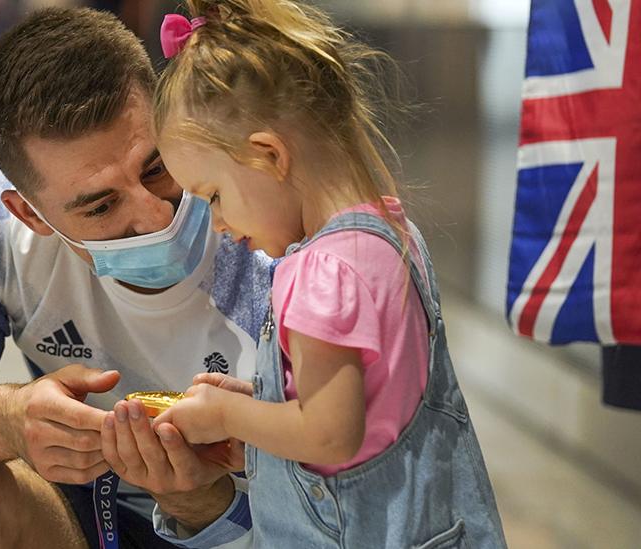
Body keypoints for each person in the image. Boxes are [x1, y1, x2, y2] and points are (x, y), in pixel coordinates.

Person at [0, 7, 272, 548]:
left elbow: (364, 520)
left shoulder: (272, 208)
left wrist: (199, 503)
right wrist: (6, 419)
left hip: (266, 527)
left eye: (157, 168)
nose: (155, 218)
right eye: (100, 207)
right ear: (31, 215)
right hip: (90, 518)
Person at [147, 0, 508, 547]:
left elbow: (332, 436)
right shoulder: (389, 233)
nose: (217, 224)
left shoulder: (318, 273)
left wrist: (228, 414)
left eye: (213, 196)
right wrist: (260, 404)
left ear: (269, 155)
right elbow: (373, 404)